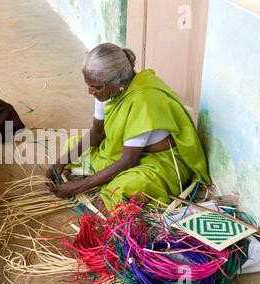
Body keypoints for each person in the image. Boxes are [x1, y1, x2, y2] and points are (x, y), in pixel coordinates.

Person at [47, 43, 211, 210]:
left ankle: (112, 182)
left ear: (121, 83)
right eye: (88, 85)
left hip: (159, 161)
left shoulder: (142, 100)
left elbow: (129, 161)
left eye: (96, 87)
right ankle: (99, 174)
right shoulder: (105, 88)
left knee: (119, 191)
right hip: (123, 151)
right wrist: (60, 163)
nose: (91, 91)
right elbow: (97, 133)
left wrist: (80, 186)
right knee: (71, 147)